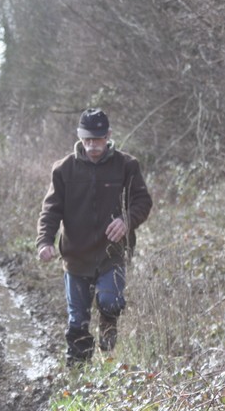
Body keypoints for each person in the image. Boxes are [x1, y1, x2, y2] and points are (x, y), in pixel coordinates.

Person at [36, 108, 153, 364]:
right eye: (87, 140)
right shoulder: (64, 169)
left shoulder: (127, 166)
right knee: (77, 322)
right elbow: (51, 210)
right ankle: (78, 374)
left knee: (110, 303)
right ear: (80, 137)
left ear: (108, 136)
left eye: (97, 139)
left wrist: (127, 221)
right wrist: (45, 241)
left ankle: (108, 340)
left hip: (113, 254)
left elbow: (143, 201)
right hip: (76, 257)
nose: (92, 146)